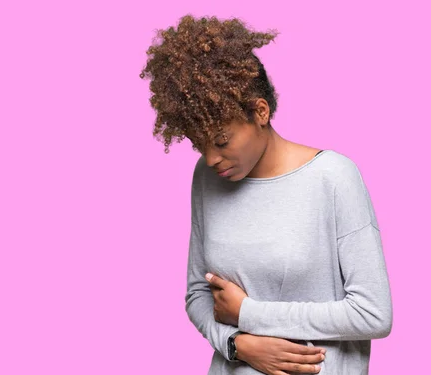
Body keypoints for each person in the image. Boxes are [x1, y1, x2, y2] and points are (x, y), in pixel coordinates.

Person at [139, 15, 392, 375]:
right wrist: (236, 345)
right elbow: (198, 294)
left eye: (221, 141)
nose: (211, 158)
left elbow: (373, 314)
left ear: (260, 111)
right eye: (199, 145)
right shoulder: (207, 178)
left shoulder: (333, 178)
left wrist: (250, 315)